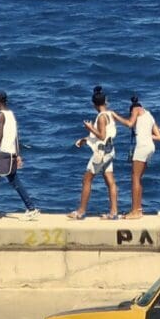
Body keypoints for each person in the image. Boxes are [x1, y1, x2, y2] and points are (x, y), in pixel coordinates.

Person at [0, 90, 38, 219]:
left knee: (8, 179)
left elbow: (0, 135)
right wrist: (18, 154)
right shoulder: (11, 114)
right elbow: (16, 136)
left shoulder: (1, 115)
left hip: (3, 152)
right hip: (11, 151)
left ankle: (31, 208)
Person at [70, 86, 119, 220]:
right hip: (109, 151)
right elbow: (104, 136)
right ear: (105, 101)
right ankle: (114, 212)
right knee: (110, 180)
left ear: (94, 105)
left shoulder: (101, 117)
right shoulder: (109, 114)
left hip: (100, 154)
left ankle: (81, 211)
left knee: (86, 180)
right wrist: (85, 139)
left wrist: (90, 127)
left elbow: (101, 136)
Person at [110, 94, 160, 219]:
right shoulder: (149, 115)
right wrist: (146, 135)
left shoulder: (136, 109)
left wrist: (115, 116)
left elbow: (130, 123)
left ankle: (135, 211)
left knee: (135, 178)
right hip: (150, 146)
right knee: (138, 178)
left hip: (142, 146)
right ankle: (139, 209)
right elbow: (158, 136)